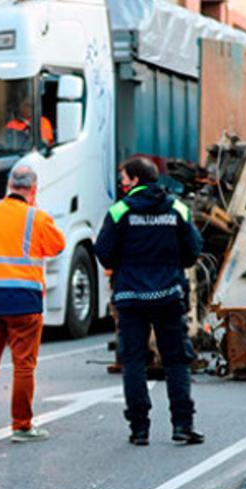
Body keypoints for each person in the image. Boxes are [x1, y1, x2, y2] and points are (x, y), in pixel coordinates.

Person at [94, 157, 205, 446]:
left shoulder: (120, 211)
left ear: (134, 180)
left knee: (133, 362)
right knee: (176, 361)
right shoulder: (177, 208)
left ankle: (139, 430)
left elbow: (104, 252)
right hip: (168, 295)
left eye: (123, 177)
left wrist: (124, 265)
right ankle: (182, 425)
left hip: (130, 297)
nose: (121, 182)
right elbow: (193, 251)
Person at [0, 165, 65, 442]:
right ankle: (22, 426)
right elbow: (57, 246)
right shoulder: (37, 217)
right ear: (33, 190)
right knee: (23, 365)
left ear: (10, 187)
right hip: (25, 299)